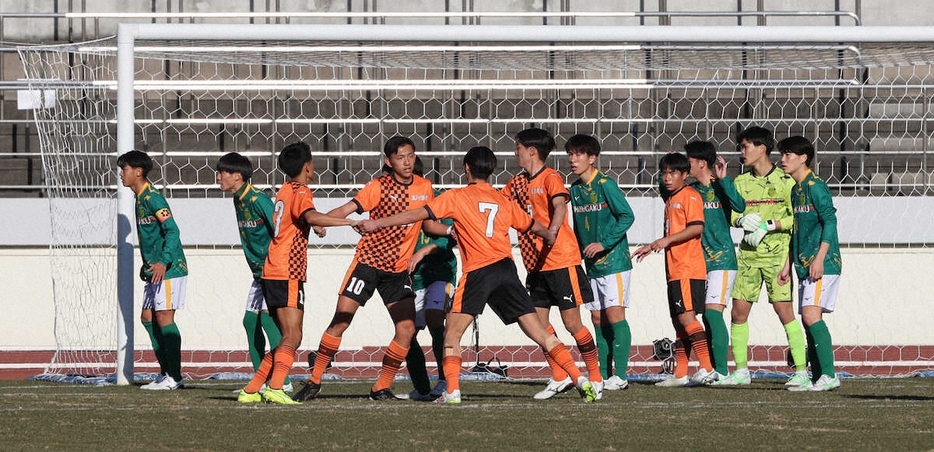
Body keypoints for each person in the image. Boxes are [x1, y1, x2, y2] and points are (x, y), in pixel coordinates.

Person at [355, 146, 598, 404]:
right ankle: (578, 377)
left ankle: (452, 391)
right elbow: (530, 225)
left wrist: (377, 223)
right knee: (540, 332)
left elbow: (418, 214)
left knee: (452, 335)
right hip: (506, 270)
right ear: (491, 170)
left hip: (478, 272)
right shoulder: (503, 200)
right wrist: (550, 234)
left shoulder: (457, 196)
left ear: (467, 168)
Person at [292, 136, 447, 402]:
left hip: (397, 272)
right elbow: (349, 208)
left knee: (407, 329)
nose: (407, 161)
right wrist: (325, 222)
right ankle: (315, 380)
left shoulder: (425, 187)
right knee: (341, 320)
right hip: (368, 264)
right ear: (389, 161)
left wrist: (453, 230)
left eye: (410, 155)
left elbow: (429, 225)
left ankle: (380, 387)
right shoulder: (378, 187)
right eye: (401, 157)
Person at [236, 142, 355, 405]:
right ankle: (276, 387)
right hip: (287, 269)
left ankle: (253, 389)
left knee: (287, 337)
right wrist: (349, 221)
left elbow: (299, 221)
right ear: (308, 167)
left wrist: (317, 225)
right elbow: (310, 217)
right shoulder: (301, 190)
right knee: (294, 335)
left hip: (272, 267)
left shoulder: (284, 190)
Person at [501, 128, 603, 400]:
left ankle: (595, 376)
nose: (516, 152)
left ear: (532, 151)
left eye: (518, 148)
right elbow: (497, 203)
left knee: (572, 324)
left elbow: (559, 205)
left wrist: (553, 230)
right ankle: (559, 376)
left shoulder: (551, 177)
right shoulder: (516, 183)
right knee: (538, 325)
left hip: (561, 260)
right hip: (535, 264)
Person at [716, 126, 809, 387]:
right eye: (740, 147)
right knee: (738, 312)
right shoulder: (740, 182)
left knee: (784, 311)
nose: (741, 152)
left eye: (745, 147)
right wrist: (742, 219)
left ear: (762, 148)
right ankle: (742, 371)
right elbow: (732, 215)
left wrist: (770, 225)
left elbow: (797, 218)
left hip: (777, 257)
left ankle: (801, 371)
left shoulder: (786, 181)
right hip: (748, 256)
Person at [633, 152, 715, 387]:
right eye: (664, 173)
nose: (667, 178)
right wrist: (652, 246)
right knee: (679, 322)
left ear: (685, 175)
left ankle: (707, 368)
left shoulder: (690, 196)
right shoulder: (671, 199)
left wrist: (665, 241)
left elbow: (697, 227)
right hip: (675, 269)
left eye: (673, 173)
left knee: (687, 318)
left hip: (688, 268)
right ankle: (680, 373)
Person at [216, 152, 291, 393]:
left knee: (268, 323)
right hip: (258, 273)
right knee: (250, 322)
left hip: (273, 271)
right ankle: (261, 381)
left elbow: (279, 231)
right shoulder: (238, 199)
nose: (218, 177)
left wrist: (277, 265)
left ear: (237, 176)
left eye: (222, 173)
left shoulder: (259, 199)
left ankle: (283, 382)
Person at [565, 134, 636, 391]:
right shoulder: (574, 190)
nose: (573, 160)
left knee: (615, 315)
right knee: (596, 318)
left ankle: (622, 375)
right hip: (591, 264)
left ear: (592, 158)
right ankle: (603, 375)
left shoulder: (606, 184)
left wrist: (604, 243)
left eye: (579, 154)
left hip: (614, 262)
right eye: (570, 155)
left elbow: (627, 216)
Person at [674, 141, 747, 381]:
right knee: (702, 315)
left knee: (713, 314)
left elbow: (740, 205)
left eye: (689, 161)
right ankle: (711, 368)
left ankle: (722, 372)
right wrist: (669, 167)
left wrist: (724, 179)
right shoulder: (690, 190)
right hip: (697, 262)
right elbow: (667, 194)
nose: (687, 164)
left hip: (722, 260)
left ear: (702, 163)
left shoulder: (720, 186)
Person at [118, 150, 188, 390]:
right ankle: (166, 372)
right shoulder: (140, 199)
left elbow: (173, 231)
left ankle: (175, 377)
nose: (121, 174)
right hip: (155, 269)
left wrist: (163, 261)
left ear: (138, 171)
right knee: (147, 318)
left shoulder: (153, 198)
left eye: (124, 169)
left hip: (169, 268)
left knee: (163, 317)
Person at [777, 136, 842, 391]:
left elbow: (831, 222)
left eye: (788, 154)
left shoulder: (816, 186)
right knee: (807, 319)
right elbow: (797, 230)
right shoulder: (796, 190)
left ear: (803, 158)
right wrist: (787, 263)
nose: (783, 159)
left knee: (811, 316)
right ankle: (816, 376)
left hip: (822, 263)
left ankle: (829, 375)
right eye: (782, 154)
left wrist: (820, 258)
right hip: (803, 264)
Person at [403, 156, 456, 401]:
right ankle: (422, 388)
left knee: (436, 321)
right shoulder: (398, 208)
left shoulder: (440, 202)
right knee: (406, 332)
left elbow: (448, 241)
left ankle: (446, 380)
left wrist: (423, 251)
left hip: (440, 274)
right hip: (416, 279)